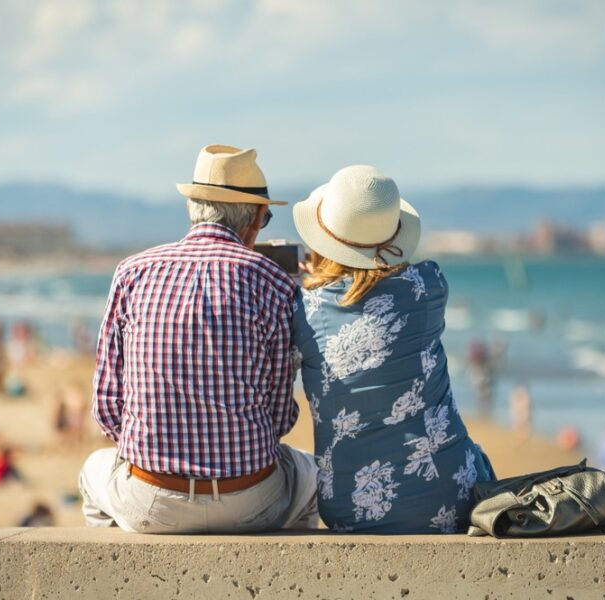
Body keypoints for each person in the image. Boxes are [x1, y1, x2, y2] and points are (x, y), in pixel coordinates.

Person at [79, 145, 318, 534]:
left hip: (151, 501)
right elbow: (279, 418)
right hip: (251, 500)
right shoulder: (274, 283)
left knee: (93, 470)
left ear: (193, 206)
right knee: (309, 476)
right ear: (256, 218)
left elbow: (108, 411)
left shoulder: (132, 272)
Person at [291, 165, 494, 533]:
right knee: (477, 456)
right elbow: (379, 287)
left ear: (324, 238)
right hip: (450, 494)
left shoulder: (303, 308)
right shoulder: (429, 285)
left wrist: (311, 279)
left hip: (350, 507)